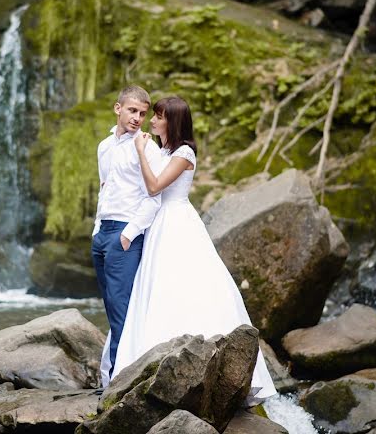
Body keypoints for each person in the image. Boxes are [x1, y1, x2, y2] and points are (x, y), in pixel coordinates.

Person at [112, 95, 277, 403]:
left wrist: (140, 152)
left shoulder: (185, 152)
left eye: (158, 116)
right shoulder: (163, 149)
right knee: (157, 289)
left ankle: (208, 368)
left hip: (177, 224)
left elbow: (154, 186)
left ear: (171, 121)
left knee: (186, 286)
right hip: (159, 224)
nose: (152, 120)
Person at [92, 85, 162, 383]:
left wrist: (129, 234)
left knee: (122, 309)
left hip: (125, 233)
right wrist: (96, 229)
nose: (137, 118)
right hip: (102, 233)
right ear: (118, 108)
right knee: (111, 307)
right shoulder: (104, 147)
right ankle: (112, 378)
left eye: (143, 114)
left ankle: (120, 382)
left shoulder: (148, 147)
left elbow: (153, 197)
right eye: (133, 111)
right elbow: (104, 188)